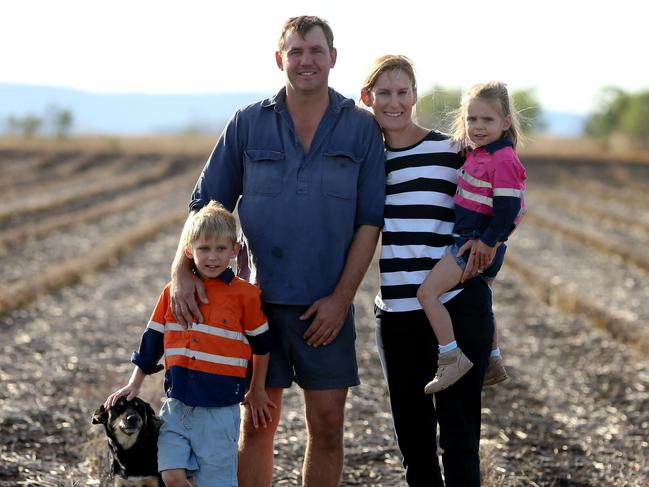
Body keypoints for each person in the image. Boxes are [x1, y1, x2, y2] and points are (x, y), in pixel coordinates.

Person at [170, 16, 385, 487]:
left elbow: (370, 223)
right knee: (257, 425)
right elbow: (205, 206)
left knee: (327, 428)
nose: (305, 60)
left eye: (315, 50)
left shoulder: (360, 129)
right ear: (279, 59)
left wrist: (341, 300)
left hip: (325, 309)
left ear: (333, 57)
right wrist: (181, 271)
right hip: (253, 307)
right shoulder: (248, 124)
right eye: (295, 51)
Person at [360, 55, 493, 486]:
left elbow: (500, 195)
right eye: (384, 93)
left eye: (402, 92)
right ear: (368, 98)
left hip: (455, 307)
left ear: (415, 95)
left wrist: (490, 246)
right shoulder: (366, 161)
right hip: (395, 313)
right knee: (415, 449)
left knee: (459, 442)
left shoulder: (453, 150)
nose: (393, 102)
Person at [104, 201, 274, 487]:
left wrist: (257, 388)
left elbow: (262, 345)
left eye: (221, 249)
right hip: (177, 406)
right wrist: (135, 382)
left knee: (214, 482)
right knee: (171, 476)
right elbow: (153, 338)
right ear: (188, 251)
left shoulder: (245, 295)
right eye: (204, 249)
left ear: (235, 250)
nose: (212, 257)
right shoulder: (173, 292)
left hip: (219, 412)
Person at [418, 81, 526, 394]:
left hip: (475, 243)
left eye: (487, 120)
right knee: (482, 300)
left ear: (505, 122)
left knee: (427, 294)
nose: (477, 127)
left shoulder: (503, 159)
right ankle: (492, 358)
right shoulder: (482, 154)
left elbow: (509, 210)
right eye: (471, 119)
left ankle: (451, 356)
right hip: (477, 241)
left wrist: (487, 242)